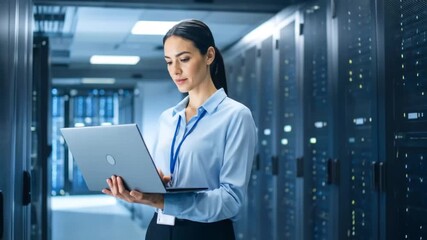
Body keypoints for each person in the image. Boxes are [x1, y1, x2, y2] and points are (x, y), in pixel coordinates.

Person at [102, 19, 257, 240]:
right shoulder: (168, 118)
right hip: (159, 228)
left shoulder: (236, 116)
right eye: (168, 62)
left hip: (206, 232)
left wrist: (161, 200)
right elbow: (164, 179)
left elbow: (231, 200)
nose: (175, 70)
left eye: (184, 59)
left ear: (209, 56)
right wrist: (142, 186)